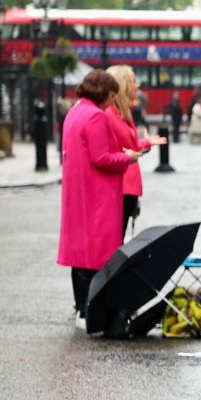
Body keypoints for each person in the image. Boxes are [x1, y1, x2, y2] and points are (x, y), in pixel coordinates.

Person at [58, 70, 141, 329]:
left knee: (79, 254)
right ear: (104, 93)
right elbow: (101, 158)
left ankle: (82, 308)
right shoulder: (96, 116)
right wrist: (127, 158)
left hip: (77, 191)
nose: (111, 101)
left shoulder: (75, 112)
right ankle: (91, 311)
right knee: (96, 256)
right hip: (98, 194)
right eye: (111, 95)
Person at [105, 65, 167, 238]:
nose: (137, 85)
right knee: (116, 239)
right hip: (121, 186)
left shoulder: (122, 112)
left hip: (128, 185)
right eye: (133, 81)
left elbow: (130, 144)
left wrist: (146, 142)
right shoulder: (111, 114)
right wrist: (143, 143)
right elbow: (127, 145)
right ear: (123, 84)